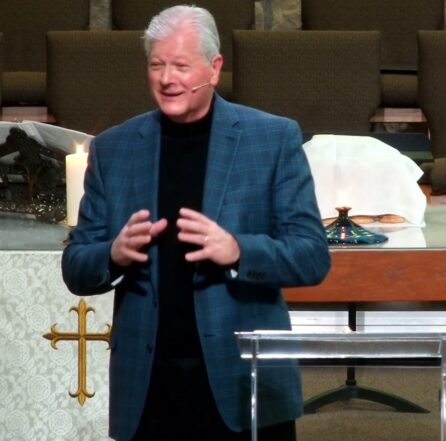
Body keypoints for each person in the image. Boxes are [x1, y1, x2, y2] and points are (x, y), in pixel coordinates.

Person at [61, 5, 330, 441]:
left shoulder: (272, 139)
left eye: (181, 66)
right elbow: (76, 266)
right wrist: (113, 254)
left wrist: (238, 251)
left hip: (244, 381)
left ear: (214, 68)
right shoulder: (114, 149)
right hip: (150, 389)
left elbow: (312, 257)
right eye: (157, 65)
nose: (167, 78)